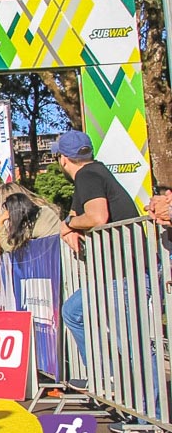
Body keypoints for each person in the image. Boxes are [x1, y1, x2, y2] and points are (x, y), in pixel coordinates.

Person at [48, 131, 138, 367]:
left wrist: (68, 225)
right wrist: (70, 225)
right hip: (114, 272)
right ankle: (104, 377)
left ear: (62, 159)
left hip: (122, 273)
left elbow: (97, 217)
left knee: (131, 346)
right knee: (72, 312)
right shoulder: (93, 173)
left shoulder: (87, 176)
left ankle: (151, 403)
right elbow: (76, 215)